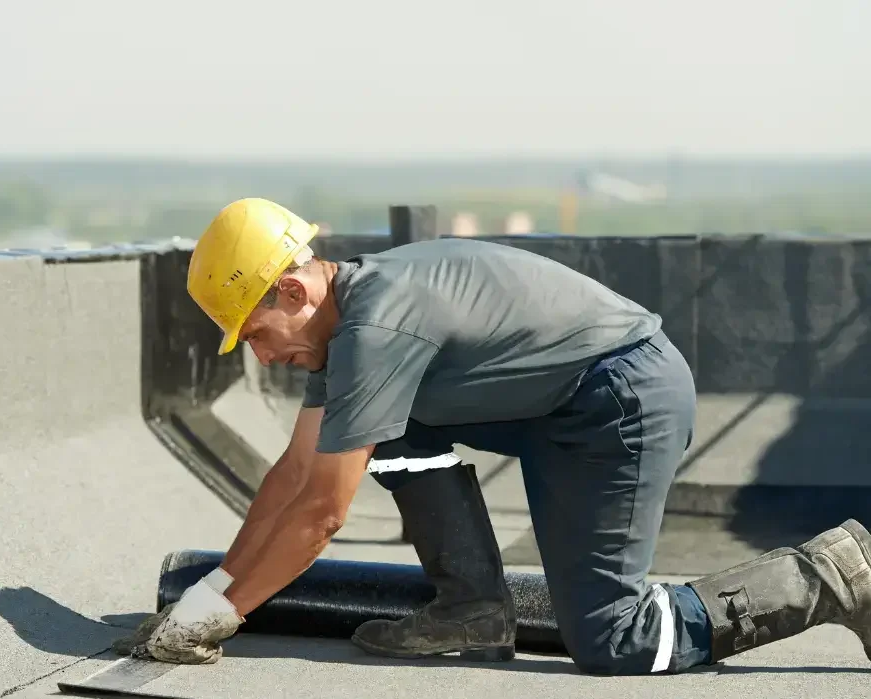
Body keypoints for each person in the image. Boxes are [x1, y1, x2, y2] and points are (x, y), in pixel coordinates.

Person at [118, 197, 871, 674]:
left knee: (617, 639)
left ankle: (834, 575)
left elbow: (320, 514)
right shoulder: (343, 329)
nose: (260, 356)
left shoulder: (376, 329)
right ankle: (472, 606)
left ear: (292, 289)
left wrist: (221, 615)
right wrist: (211, 590)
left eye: (256, 333)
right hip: (559, 405)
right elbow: (294, 474)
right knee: (383, 428)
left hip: (620, 403)